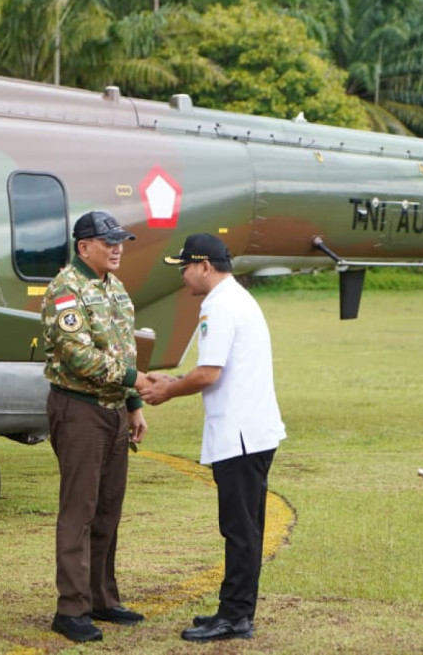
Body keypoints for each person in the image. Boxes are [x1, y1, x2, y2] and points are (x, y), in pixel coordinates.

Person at [137, 232, 286, 643]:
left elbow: (209, 373)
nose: (182, 275)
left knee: (239, 529)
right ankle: (235, 609)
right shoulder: (235, 299)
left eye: (185, 266)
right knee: (245, 527)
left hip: (240, 436)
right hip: (252, 431)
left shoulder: (218, 306)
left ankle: (236, 616)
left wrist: (167, 389)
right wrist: (175, 378)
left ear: (205, 266)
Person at [41, 210, 150, 643]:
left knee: (108, 508)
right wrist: (132, 382)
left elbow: (125, 351)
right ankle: (71, 609)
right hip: (80, 409)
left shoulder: (114, 287)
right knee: (79, 510)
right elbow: (76, 355)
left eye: (120, 240)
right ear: (84, 246)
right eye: (109, 241)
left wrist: (134, 404)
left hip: (112, 411)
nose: (118, 247)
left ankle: (102, 598)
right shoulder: (66, 290)